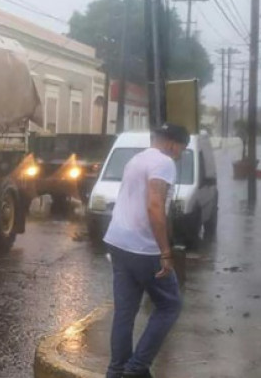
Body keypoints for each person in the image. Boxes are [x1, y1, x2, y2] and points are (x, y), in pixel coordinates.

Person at [103, 123, 190, 378]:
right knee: (170, 305)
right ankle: (136, 368)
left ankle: (116, 370)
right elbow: (154, 206)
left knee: (124, 312)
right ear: (173, 144)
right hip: (143, 247)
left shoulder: (136, 160)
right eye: (181, 149)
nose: (180, 154)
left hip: (118, 241)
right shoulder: (164, 163)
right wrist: (165, 252)